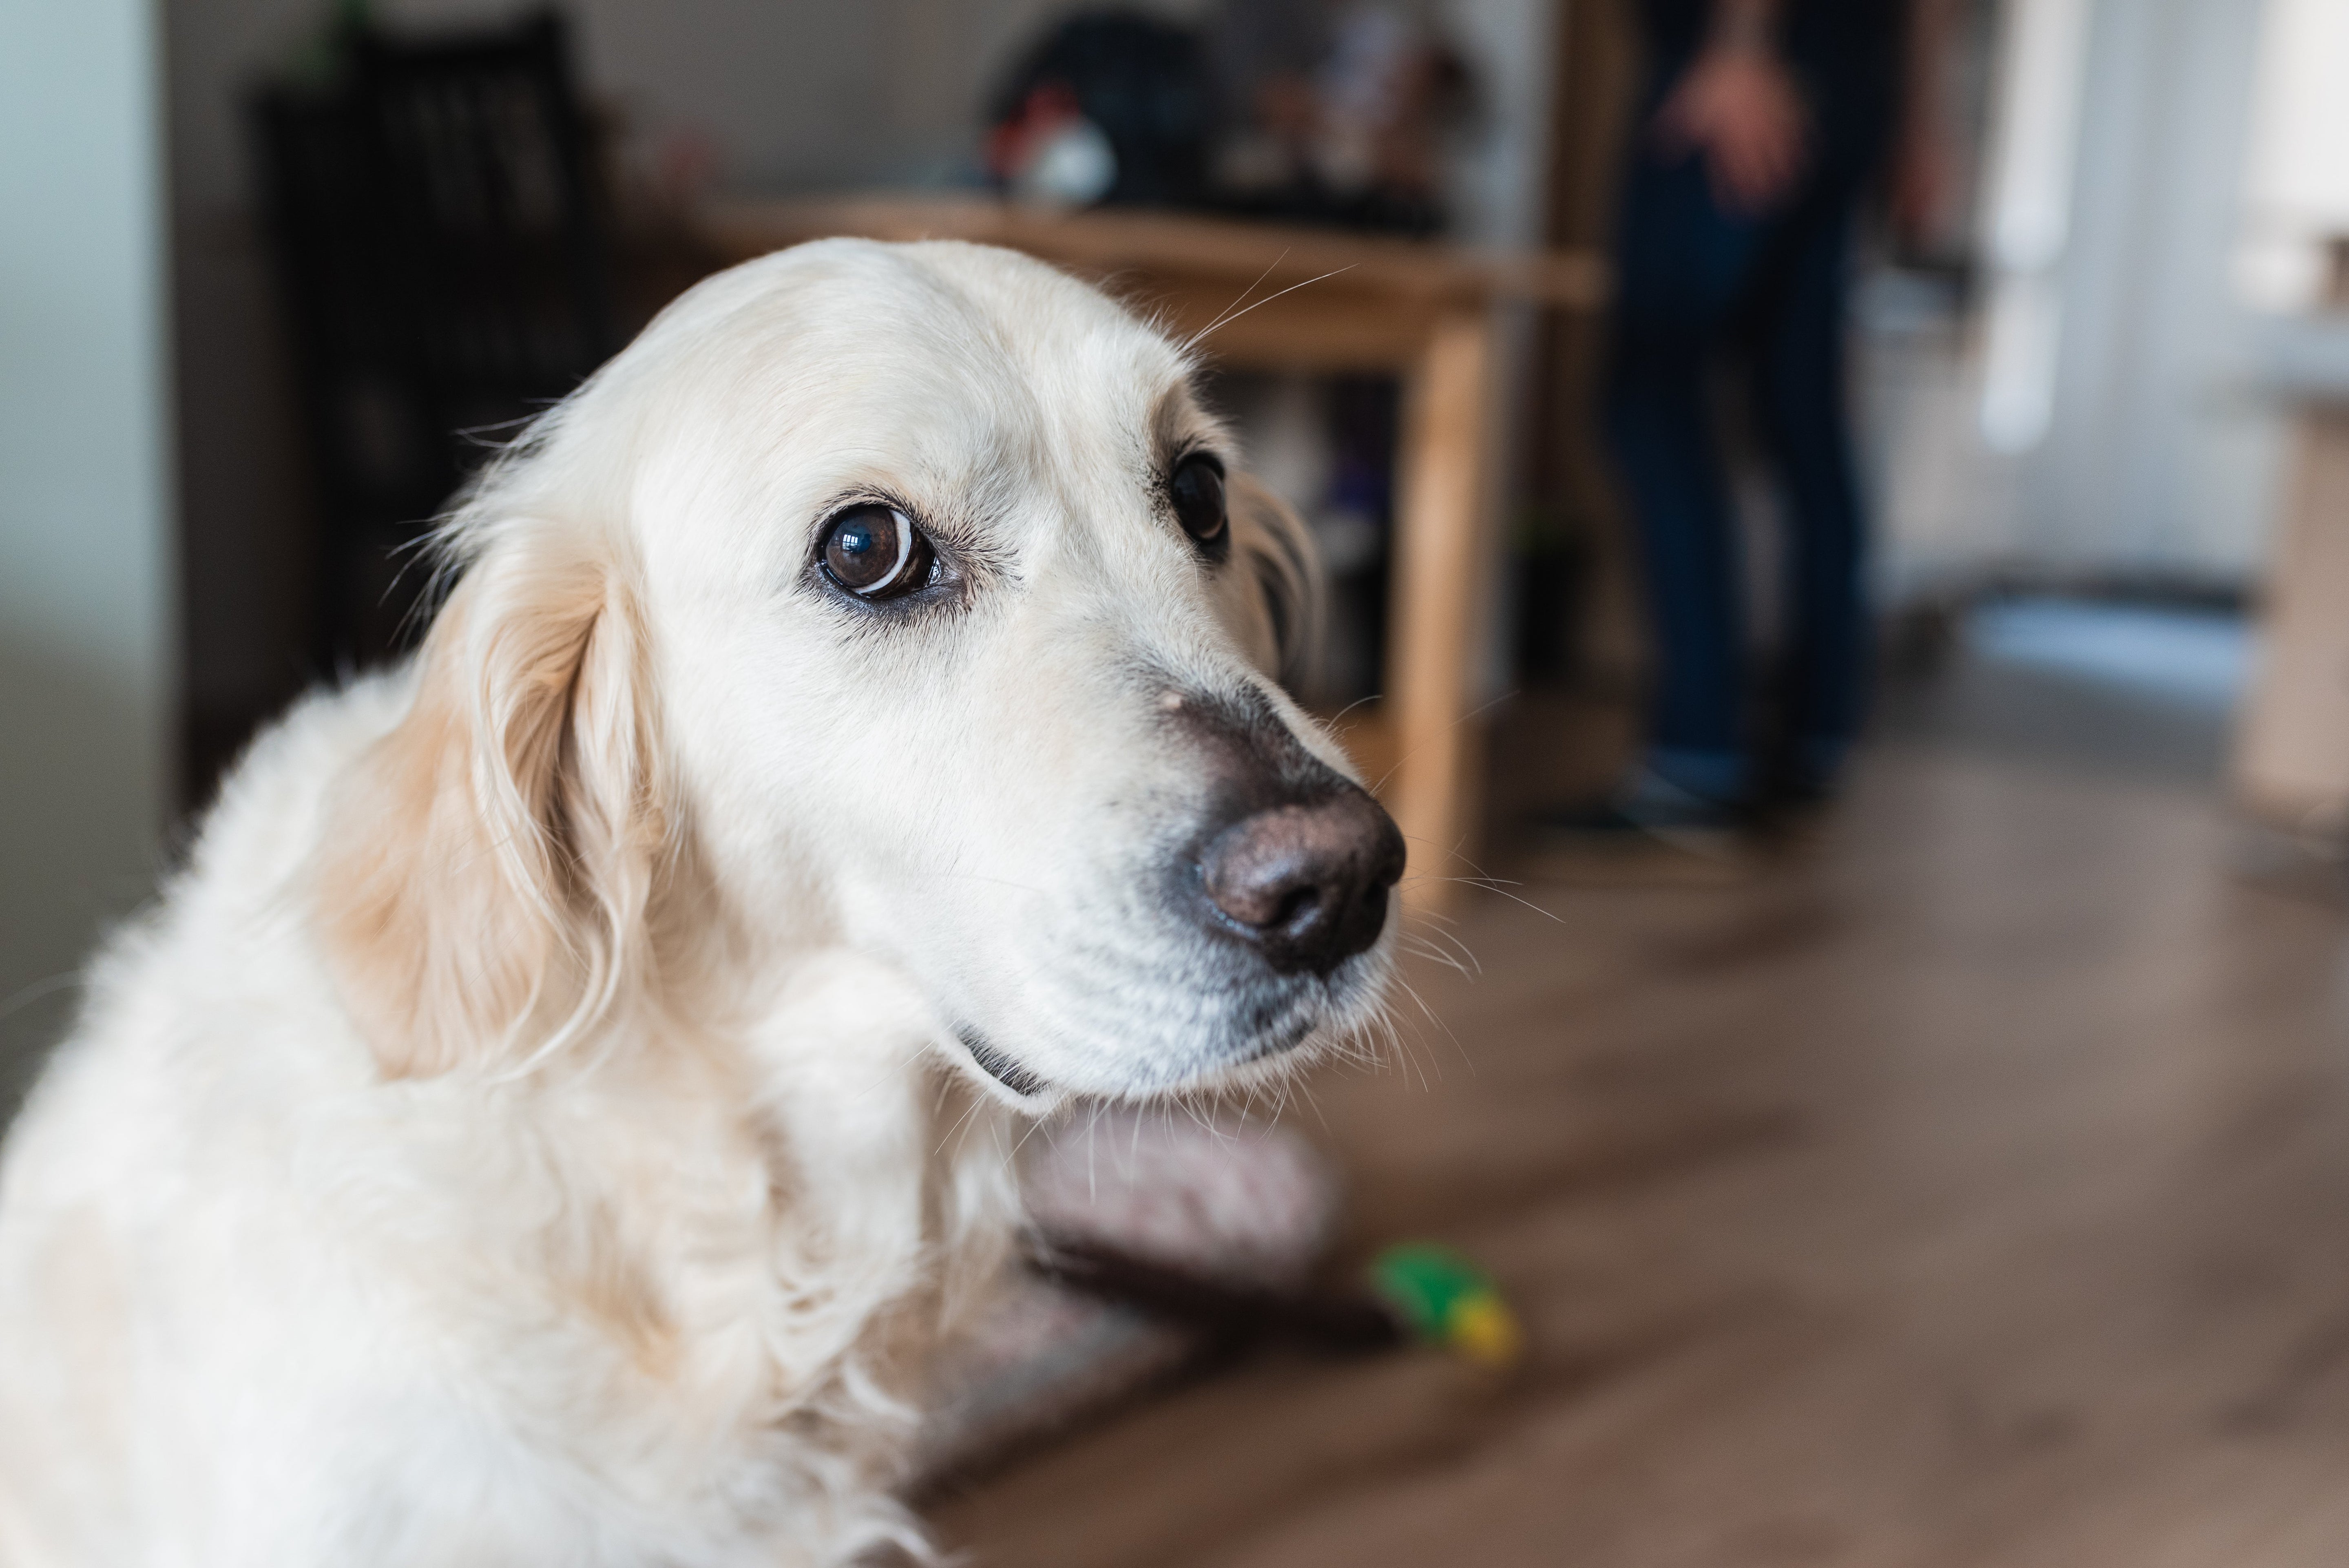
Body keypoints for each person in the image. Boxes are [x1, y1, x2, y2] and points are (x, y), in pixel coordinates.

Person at [1564, 0, 1955, 848]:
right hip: (1853, 71)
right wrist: (1917, 117)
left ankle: (1696, 761)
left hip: (1744, 59)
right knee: (1802, 413)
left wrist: (1742, 44)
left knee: (1650, 396)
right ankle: (1815, 739)